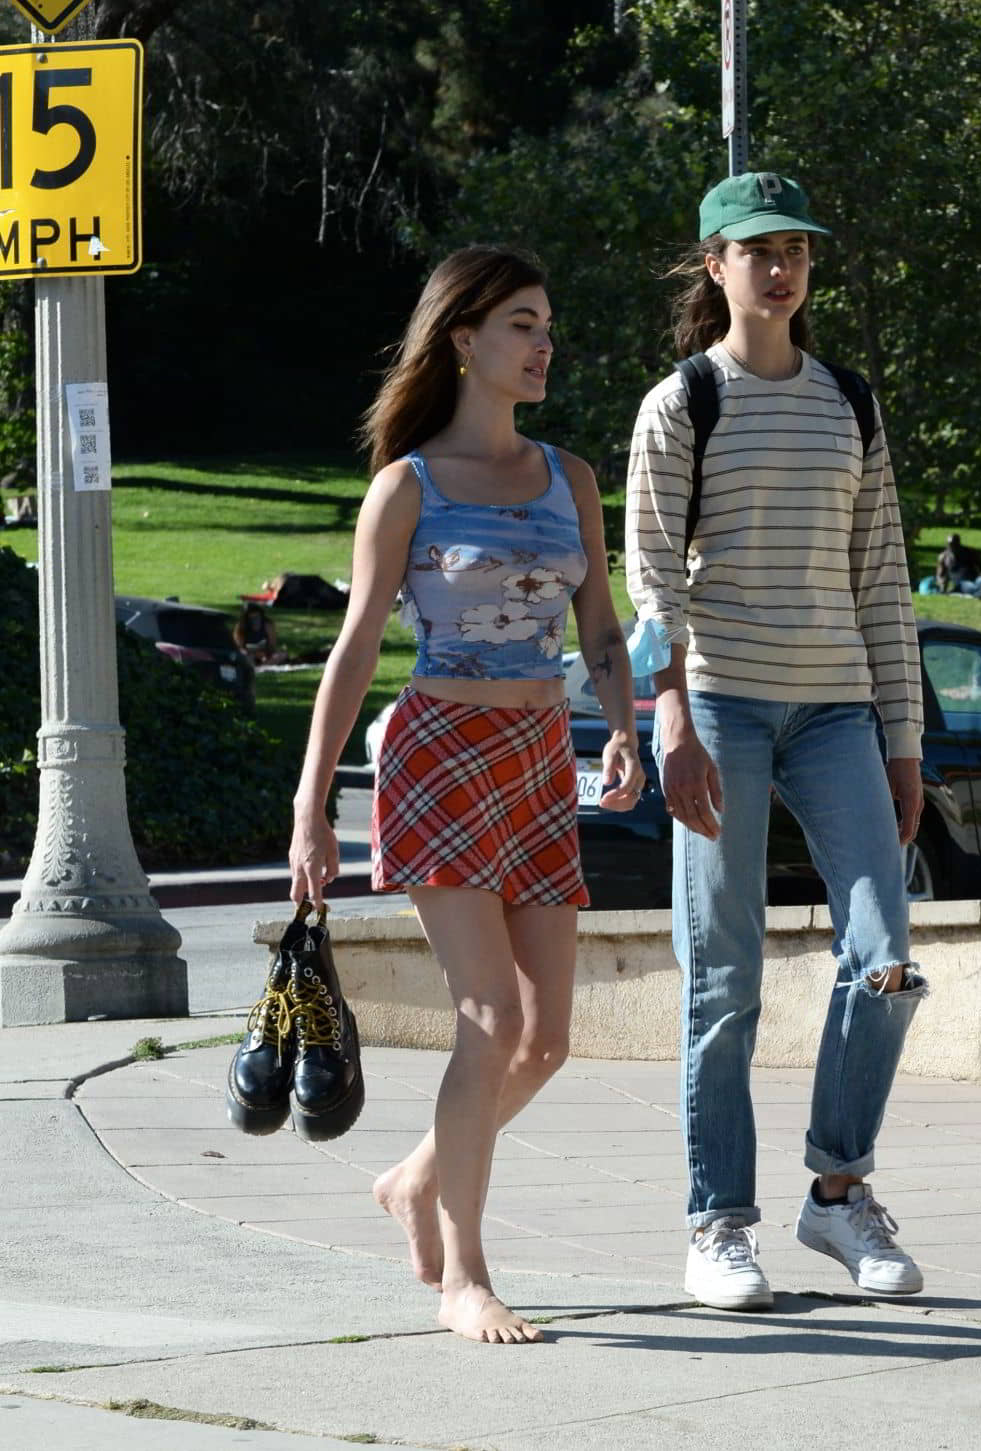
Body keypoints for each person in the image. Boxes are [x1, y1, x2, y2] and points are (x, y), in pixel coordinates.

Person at [289, 246, 644, 1345]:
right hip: (439, 751)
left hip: (539, 755)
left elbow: (599, 626)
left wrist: (624, 728)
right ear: (463, 340)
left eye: (546, 326)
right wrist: (310, 807)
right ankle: (465, 1276)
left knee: (545, 1040)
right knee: (488, 1018)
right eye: (522, 325)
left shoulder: (569, 476)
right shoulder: (408, 486)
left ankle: (411, 1180)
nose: (542, 345)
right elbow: (351, 652)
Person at [626, 172, 928, 1313]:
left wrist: (900, 739)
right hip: (718, 707)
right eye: (756, 250)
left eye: (795, 247)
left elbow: (880, 580)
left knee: (884, 954)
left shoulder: (848, 400)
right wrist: (669, 715)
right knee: (723, 977)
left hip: (837, 709)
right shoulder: (682, 401)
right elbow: (650, 579)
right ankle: (717, 1222)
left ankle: (836, 1190)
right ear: (715, 267)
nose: (780, 266)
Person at [935, 532, 981, 596]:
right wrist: (942, 587)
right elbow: (940, 575)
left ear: (959, 543)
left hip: (975, 580)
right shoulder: (944, 557)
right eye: (950, 544)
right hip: (961, 584)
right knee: (971, 587)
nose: (952, 546)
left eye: (955, 544)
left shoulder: (969, 552)